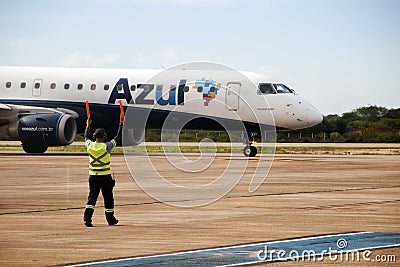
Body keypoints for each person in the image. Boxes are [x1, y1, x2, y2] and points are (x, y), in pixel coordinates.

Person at [83, 113, 124, 227]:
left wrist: (87, 126)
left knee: (92, 199)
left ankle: (87, 219)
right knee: (108, 199)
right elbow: (118, 138)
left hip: (93, 176)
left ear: (95, 136)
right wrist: (121, 123)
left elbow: (86, 137)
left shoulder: (89, 145)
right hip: (105, 176)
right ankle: (110, 219)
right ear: (104, 136)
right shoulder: (107, 146)